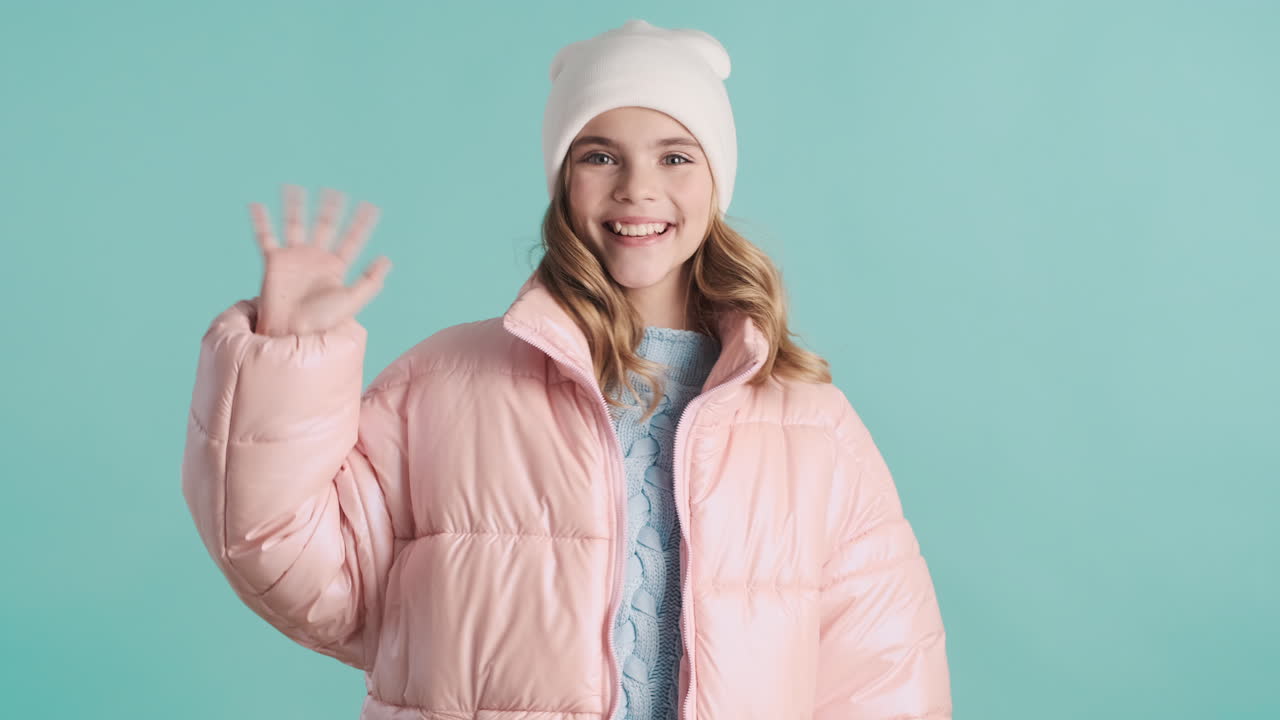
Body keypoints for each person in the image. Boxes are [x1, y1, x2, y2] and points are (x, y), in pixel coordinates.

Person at [180, 18, 952, 720]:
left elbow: (884, 676)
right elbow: (287, 555)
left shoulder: (811, 426)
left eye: (675, 156)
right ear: (562, 181)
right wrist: (284, 356)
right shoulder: (446, 384)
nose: (637, 188)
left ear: (716, 182)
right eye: (600, 155)